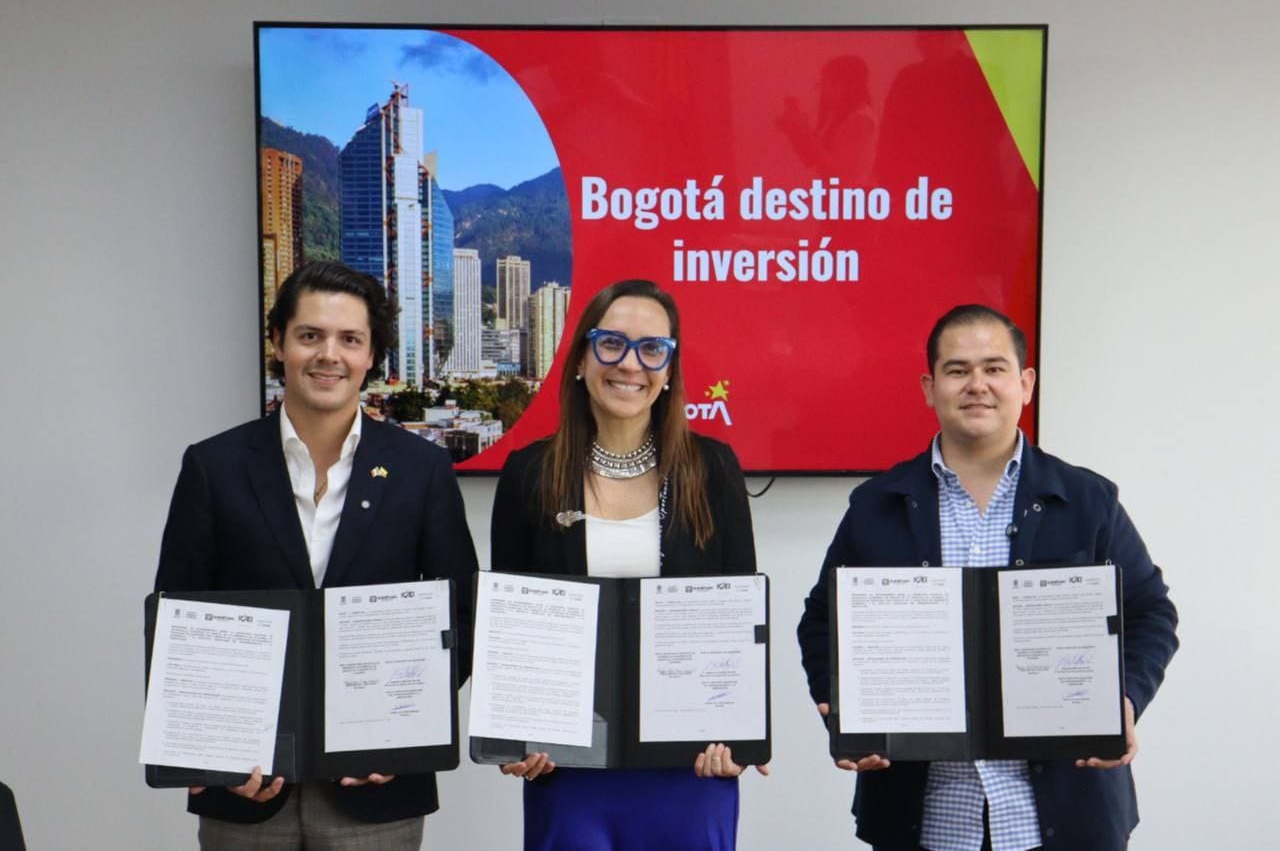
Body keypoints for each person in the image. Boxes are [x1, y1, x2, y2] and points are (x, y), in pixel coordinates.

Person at [796, 304, 1178, 851]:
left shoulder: (1088, 500)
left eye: (994, 368)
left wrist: (1125, 698)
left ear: (1025, 383)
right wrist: (840, 703)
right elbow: (822, 618)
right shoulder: (877, 505)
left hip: (1064, 821)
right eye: (957, 370)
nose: (977, 385)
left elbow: (1150, 613)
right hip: (924, 823)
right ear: (929, 388)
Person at [154, 261, 478, 850]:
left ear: (372, 354)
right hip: (245, 787)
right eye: (310, 335)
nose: (329, 355)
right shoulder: (213, 466)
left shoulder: (422, 469)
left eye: (350, 339)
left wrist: (404, 732)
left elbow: (463, 616)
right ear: (278, 342)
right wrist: (208, 751)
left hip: (377, 789)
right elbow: (178, 618)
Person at [490, 279, 764, 850]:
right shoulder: (529, 474)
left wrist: (740, 735)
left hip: (690, 765)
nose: (631, 364)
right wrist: (514, 735)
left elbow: (738, 622)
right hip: (568, 766)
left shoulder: (713, 469)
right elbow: (508, 630)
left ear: (669, 369)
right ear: (581, 360)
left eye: (652, 349)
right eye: (611, 343)